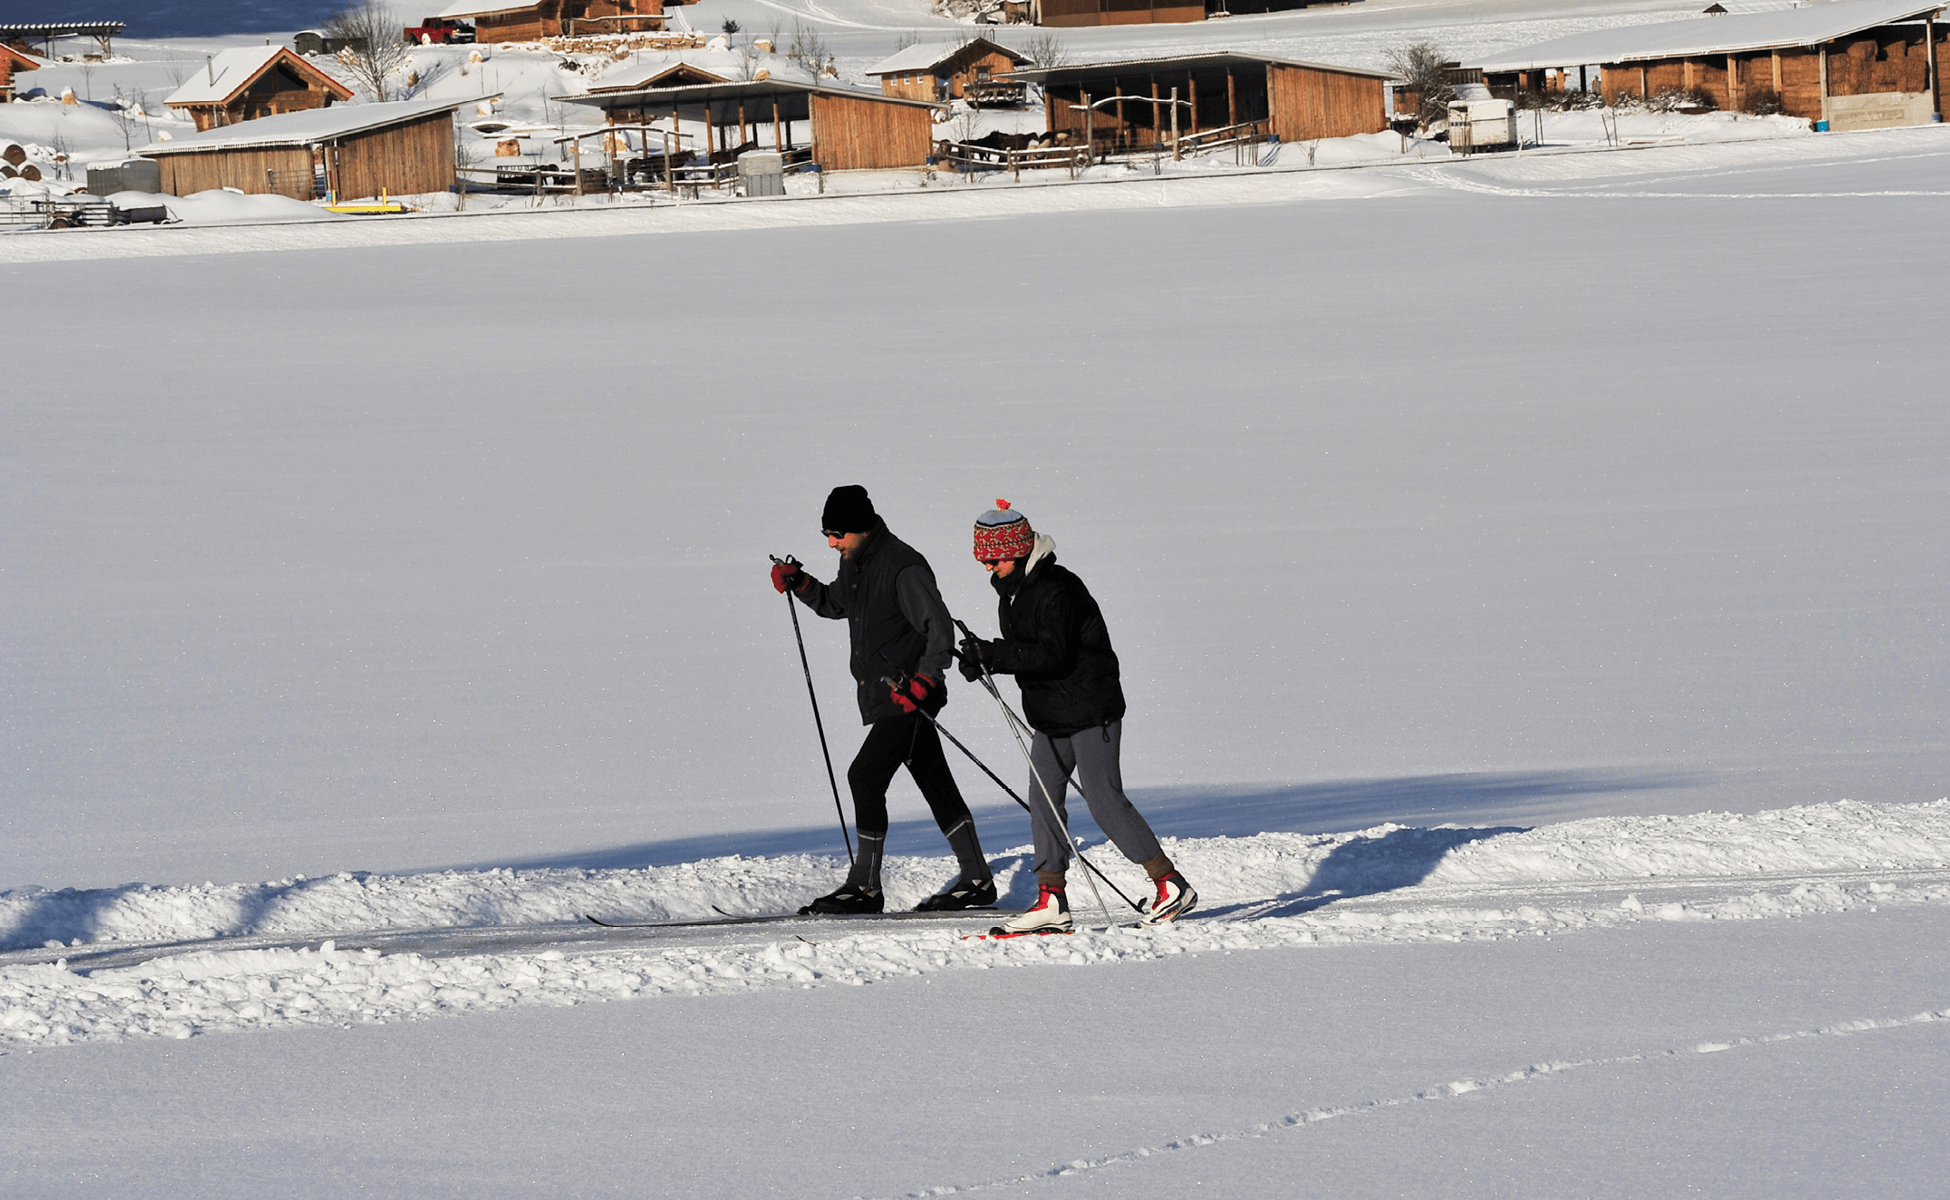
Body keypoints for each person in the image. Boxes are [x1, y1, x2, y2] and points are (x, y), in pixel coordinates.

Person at [957, 500, 1196, 934]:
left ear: (1016, 549)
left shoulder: (1056, 588)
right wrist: (984, 658)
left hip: (1091, 711)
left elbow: (1052, 653)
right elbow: (1027, 653)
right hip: (1052, 716)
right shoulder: (1012, 593)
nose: (988, 567)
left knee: (1104, 801)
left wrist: (994, 654)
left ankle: (1170, 883)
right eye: (983, 559)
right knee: (1044, 801)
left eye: (993, 557)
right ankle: (1052, 899)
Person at [769, 485, 995, 913]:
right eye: (827, 536)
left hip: (908, 695)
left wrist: (924, 683)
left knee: (865, 775)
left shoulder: (901, 565)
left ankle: (866, 887)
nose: (833, 543)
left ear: (860, 528)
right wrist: (801, 583)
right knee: (933, 779)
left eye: (837, 534)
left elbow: (939, 631)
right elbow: (839, 603)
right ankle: (977, 879)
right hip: (886, 695)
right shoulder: (857, 561)